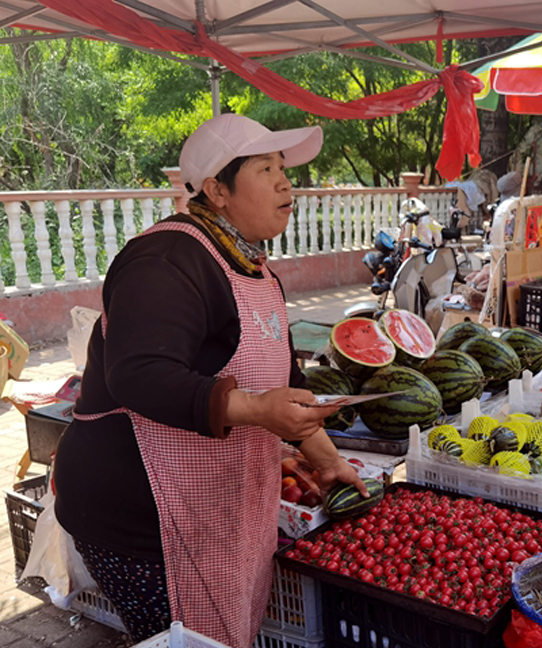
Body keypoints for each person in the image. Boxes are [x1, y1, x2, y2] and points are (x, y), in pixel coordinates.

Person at [53, 114, 367, 647]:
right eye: (265, 168)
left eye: (283, 168)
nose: (285, 182)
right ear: (218, 190)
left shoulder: (255, 267)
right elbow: (136, 373)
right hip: (142, 521)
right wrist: (255, 410)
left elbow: (286, 384)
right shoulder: (165, 258)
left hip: (218, 511)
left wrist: (329, 460)